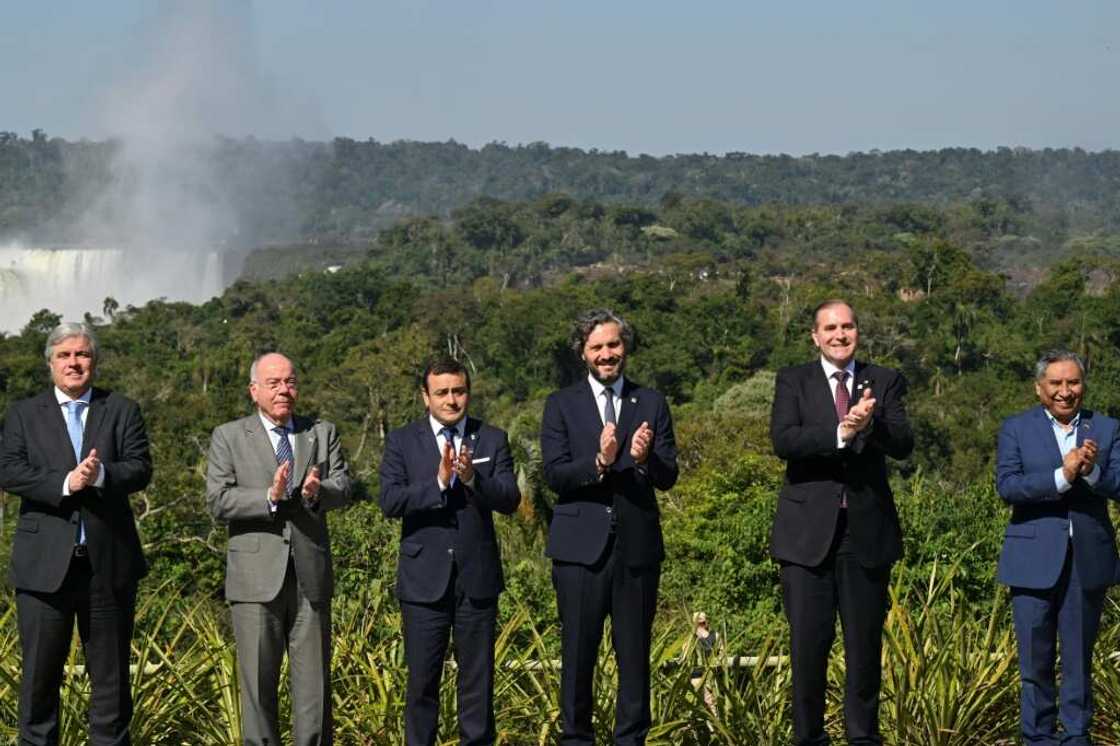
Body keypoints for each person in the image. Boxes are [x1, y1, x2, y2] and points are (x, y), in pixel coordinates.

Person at [769, 299, 913, 746]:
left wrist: (868, 426)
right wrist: (840, 434)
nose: (839, 335)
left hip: (865, 535)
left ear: (858, 332)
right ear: (814, 336)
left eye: (847, 326)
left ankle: (863, 739)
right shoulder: (793, 380)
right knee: (808, 651)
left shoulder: (884, 381)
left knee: (864, 653)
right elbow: (784, 440)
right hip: (806, 538)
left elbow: (904, 443)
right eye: (830, 328)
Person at [0, 322, 151, 745]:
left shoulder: (121, 409)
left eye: (82, 354)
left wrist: (101, 473)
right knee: (39, 684)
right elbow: (10, 471)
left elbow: (140, 467)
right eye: (64, 355)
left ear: (94, 362)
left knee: (111, 687)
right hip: (43, 569)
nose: (74, 362)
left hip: (108, 567)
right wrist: (67, 484)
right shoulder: (23, 414)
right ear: (50, 363)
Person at [540, 308, 679, 746]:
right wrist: (600, 460)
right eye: (597, 347)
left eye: (613, 345)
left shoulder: (652, 402)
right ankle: (576, 739)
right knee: (578, 655)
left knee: (634, 659)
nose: (607, 354)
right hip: (579, 549)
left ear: (625, 348)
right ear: (583, 353)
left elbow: (668, 474)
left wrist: (643, 459)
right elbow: (555, 474)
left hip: (637, 548)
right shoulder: (560, 404)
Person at [206, 352, 353, 746]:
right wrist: (268, 498)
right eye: (273, 383)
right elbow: (218, 500)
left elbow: (344, 486)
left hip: (310, 577)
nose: (284, 390)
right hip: (255, 580)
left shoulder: (321, 432)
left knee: (314, 693)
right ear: (255, 391)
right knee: (257, 688)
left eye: (289, 381)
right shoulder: (229, 436)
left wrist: (317, 491)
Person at [379, 358, 520, 746]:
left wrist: (474, 478)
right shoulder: (402, 441)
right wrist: (439, 483)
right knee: (422, 684)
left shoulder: (492, 438)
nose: (451, 400)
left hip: (477, 580)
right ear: (426, 397)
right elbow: (389, 501)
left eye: (458, 391)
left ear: (468, 392)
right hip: (424, 582)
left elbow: (510, 499)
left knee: (478, 685)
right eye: (442, 392)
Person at [996, 350, 1120, 745]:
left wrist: (1091, 471)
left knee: (1079, 663)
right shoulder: (1015, 428)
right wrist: (1062, 476)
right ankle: (1038, 739)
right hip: (1031, 562)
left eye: (1074, 383)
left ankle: (1077, 738)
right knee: (1035, 664)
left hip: (1088, 559)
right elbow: (1009, 486)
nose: (1066, 392)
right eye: (1056, 384)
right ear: (1040, 388)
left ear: (1083, 385)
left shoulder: (1107, 428)